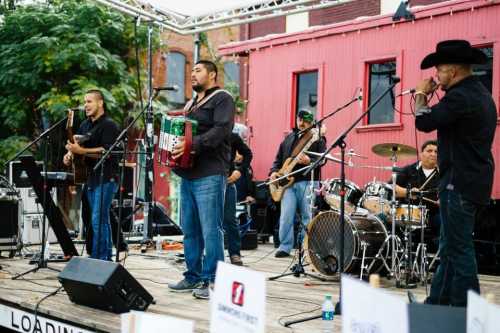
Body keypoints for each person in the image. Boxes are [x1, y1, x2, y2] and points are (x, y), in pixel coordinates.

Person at [414, 40, 496, 306]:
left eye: (440, 69)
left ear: (455, 70)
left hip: (459, 183)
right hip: (471, 180)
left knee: (459, 249)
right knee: (449, 246)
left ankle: (466, 310)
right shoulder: (480, 93)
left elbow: (424, 121)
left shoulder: (461, 97)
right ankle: (437, 302)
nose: (436, 75)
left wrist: (420, 95)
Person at [167, 60, 235, 300]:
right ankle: (193, 276)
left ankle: (214, 280)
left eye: (198, 70)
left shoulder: (222, 98)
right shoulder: (191, 103)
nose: (193, 74)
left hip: (210, 173)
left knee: (210, 230)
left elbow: (222, 130)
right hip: (188, 174)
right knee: (190, 230)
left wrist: (191, 144)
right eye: (192, 71)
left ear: (212, 74)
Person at [63, 89, 120, 261]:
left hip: (107, 178)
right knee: (97, 220)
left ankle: (101, 260)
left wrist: (81, 150)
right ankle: (102, 258)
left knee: (98, 220)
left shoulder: (109, 125)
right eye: (84, 102)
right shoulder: (84, 125)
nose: (85, 105)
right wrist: (70, 156)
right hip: (90, 178)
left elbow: (108, 151)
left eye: (89, 101)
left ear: (100, 103)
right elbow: (78, 150)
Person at [269, 109, 326, 258]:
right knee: (286, 216)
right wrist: (274, 172)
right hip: (287, 183)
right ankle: (285, 246)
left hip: (308, 181)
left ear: (311, 121)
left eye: (305, 120)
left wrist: (310, 161)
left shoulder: (318, 138)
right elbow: (278, 159)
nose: (301, 123)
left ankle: (306, 247)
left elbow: (323, 159)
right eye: (299, 119)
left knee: (308, 216)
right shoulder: (288, 138)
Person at [393, 140, 440, 239]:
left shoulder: (443, 173)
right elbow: (391, 187)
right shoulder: (409, 170)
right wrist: (408, 192)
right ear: (421, 154)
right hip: (406, 213)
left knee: (446, 222)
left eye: (436, 152)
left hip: (433, 214)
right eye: (429, 151)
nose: (433, 154)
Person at [224, 129, 253, 266]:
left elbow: (248, 154)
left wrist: (239, 171)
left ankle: (235, 253)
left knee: (230, 220)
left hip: (228, 183)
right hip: (207, 183)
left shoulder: (232, 137)